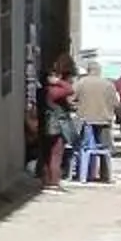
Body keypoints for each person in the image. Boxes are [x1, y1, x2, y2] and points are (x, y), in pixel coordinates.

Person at [71, 58, 119, 184]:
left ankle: (83, 174)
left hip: (85, 121)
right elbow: (115, 103)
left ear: (88, 71)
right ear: (99, 71)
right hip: (104, 120)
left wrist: (78, 106)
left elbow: (71, 99)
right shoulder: (108, 84)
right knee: (105, 148)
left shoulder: (81, 83)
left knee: (84, 147)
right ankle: (105, 175)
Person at [44, 56, 79, 186]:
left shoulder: (45, 90)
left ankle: (48, 180)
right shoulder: (53, 90)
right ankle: (53, 181)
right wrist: (59, 82)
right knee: (56, 154)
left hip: (48, 123)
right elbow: (70, 90)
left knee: (49, 153)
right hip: (56, 124)